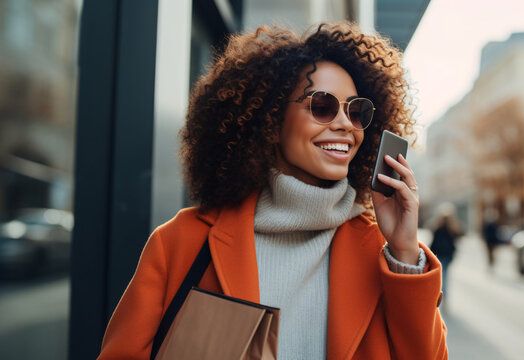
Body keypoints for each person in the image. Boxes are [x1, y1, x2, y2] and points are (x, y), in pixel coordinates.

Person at [97, 22, 447, 360]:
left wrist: (403, 251)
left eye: (357, 111)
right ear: (271, 119)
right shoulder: (181, 242)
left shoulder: (382, 255)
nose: (345, 125)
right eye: (322, 106)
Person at [429, 203, 462, 302]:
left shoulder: (437, 227)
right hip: (447, 255)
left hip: (439, 254)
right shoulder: (453, 228)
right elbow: (459, 237)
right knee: (445, 275)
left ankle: (441, 294)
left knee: (441, 276)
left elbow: (433, 242)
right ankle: (444, 295)